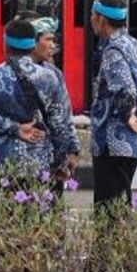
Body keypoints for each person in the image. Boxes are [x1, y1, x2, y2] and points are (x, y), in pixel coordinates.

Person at [0, 19, 77, 180]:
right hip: (39, 165)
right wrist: (62, 161)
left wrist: (14, 128)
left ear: (6, 46)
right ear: (32, 46)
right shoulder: (50, 77)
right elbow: (60, 123)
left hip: (0, 163)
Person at [88, 0, 137, 214]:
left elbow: (125, 88)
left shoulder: (113, 50)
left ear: (102, 19)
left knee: (108, 210)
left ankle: (108, 249)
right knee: (120, 205)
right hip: (132, 142)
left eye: (92, 15)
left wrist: (127, 114)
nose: (91, 20)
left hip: (113, 141)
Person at [29, 16, 80, 183]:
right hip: (32, 156)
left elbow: (65, 115)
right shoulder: (48, 75)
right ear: (33, 42)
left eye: (54, 40)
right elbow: (59, 121)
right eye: (48, 39)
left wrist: (73, 150)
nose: (53, 45)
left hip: (47, 156)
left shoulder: (55, 73)